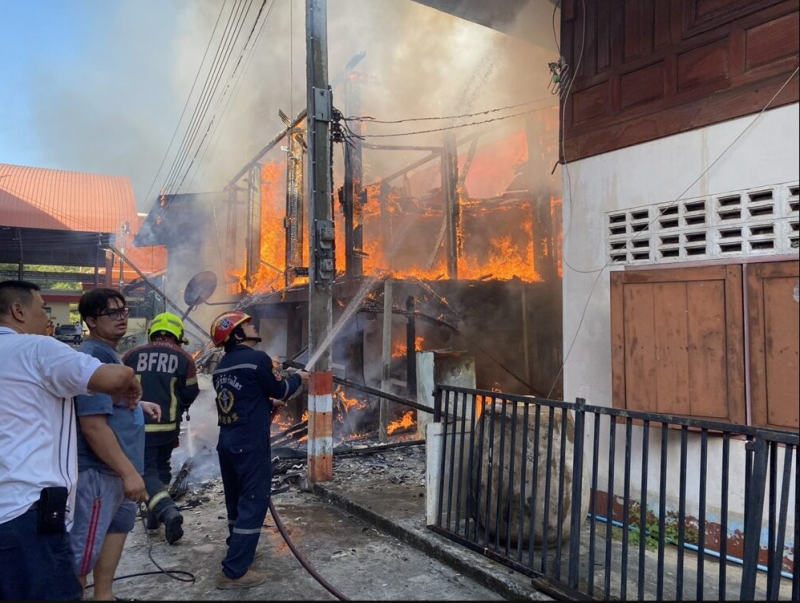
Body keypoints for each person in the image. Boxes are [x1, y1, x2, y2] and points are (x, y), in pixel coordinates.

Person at [0, 281, 144, 601]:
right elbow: (102, 403)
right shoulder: (38, 348)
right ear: (18, 311)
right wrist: (129, 378)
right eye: (43, 309)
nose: (47, 318)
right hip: (27, 510)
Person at [69, 288, 161, 601]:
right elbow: (93, 425)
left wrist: (138, 405)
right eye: (112, 313)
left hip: (119, 472)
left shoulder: (109, 354)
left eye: (123, 311)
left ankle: (104, 596)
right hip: (101, 473)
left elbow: (107, 405)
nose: (121, 318)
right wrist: (129, 474)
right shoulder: (93, 358)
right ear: (91, 321)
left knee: (116, 531)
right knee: (83, 553)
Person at [209, 311, 308, 590]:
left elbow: (240, 398)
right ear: (237, 334)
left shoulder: (221, 366)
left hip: (227, 441)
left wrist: (267, 405)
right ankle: (234, 572)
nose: (253, 327)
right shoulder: (257, 359)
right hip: (250, 442)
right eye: (247, 325)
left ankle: (238, 549)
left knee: (236, 500)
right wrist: (299, 378)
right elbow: (280, 389)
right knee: (254, 501)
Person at [122, 312, 199, 544]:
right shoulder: (184, 358)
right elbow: (190, 392)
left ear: (152, 332)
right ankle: (153, 517)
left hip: (139, 425)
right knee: (162, 467)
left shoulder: (132, 355)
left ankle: (167, 511)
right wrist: (177, 406)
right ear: (178, 335)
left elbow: (118, 386)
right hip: (168, 426)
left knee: (145, 472)